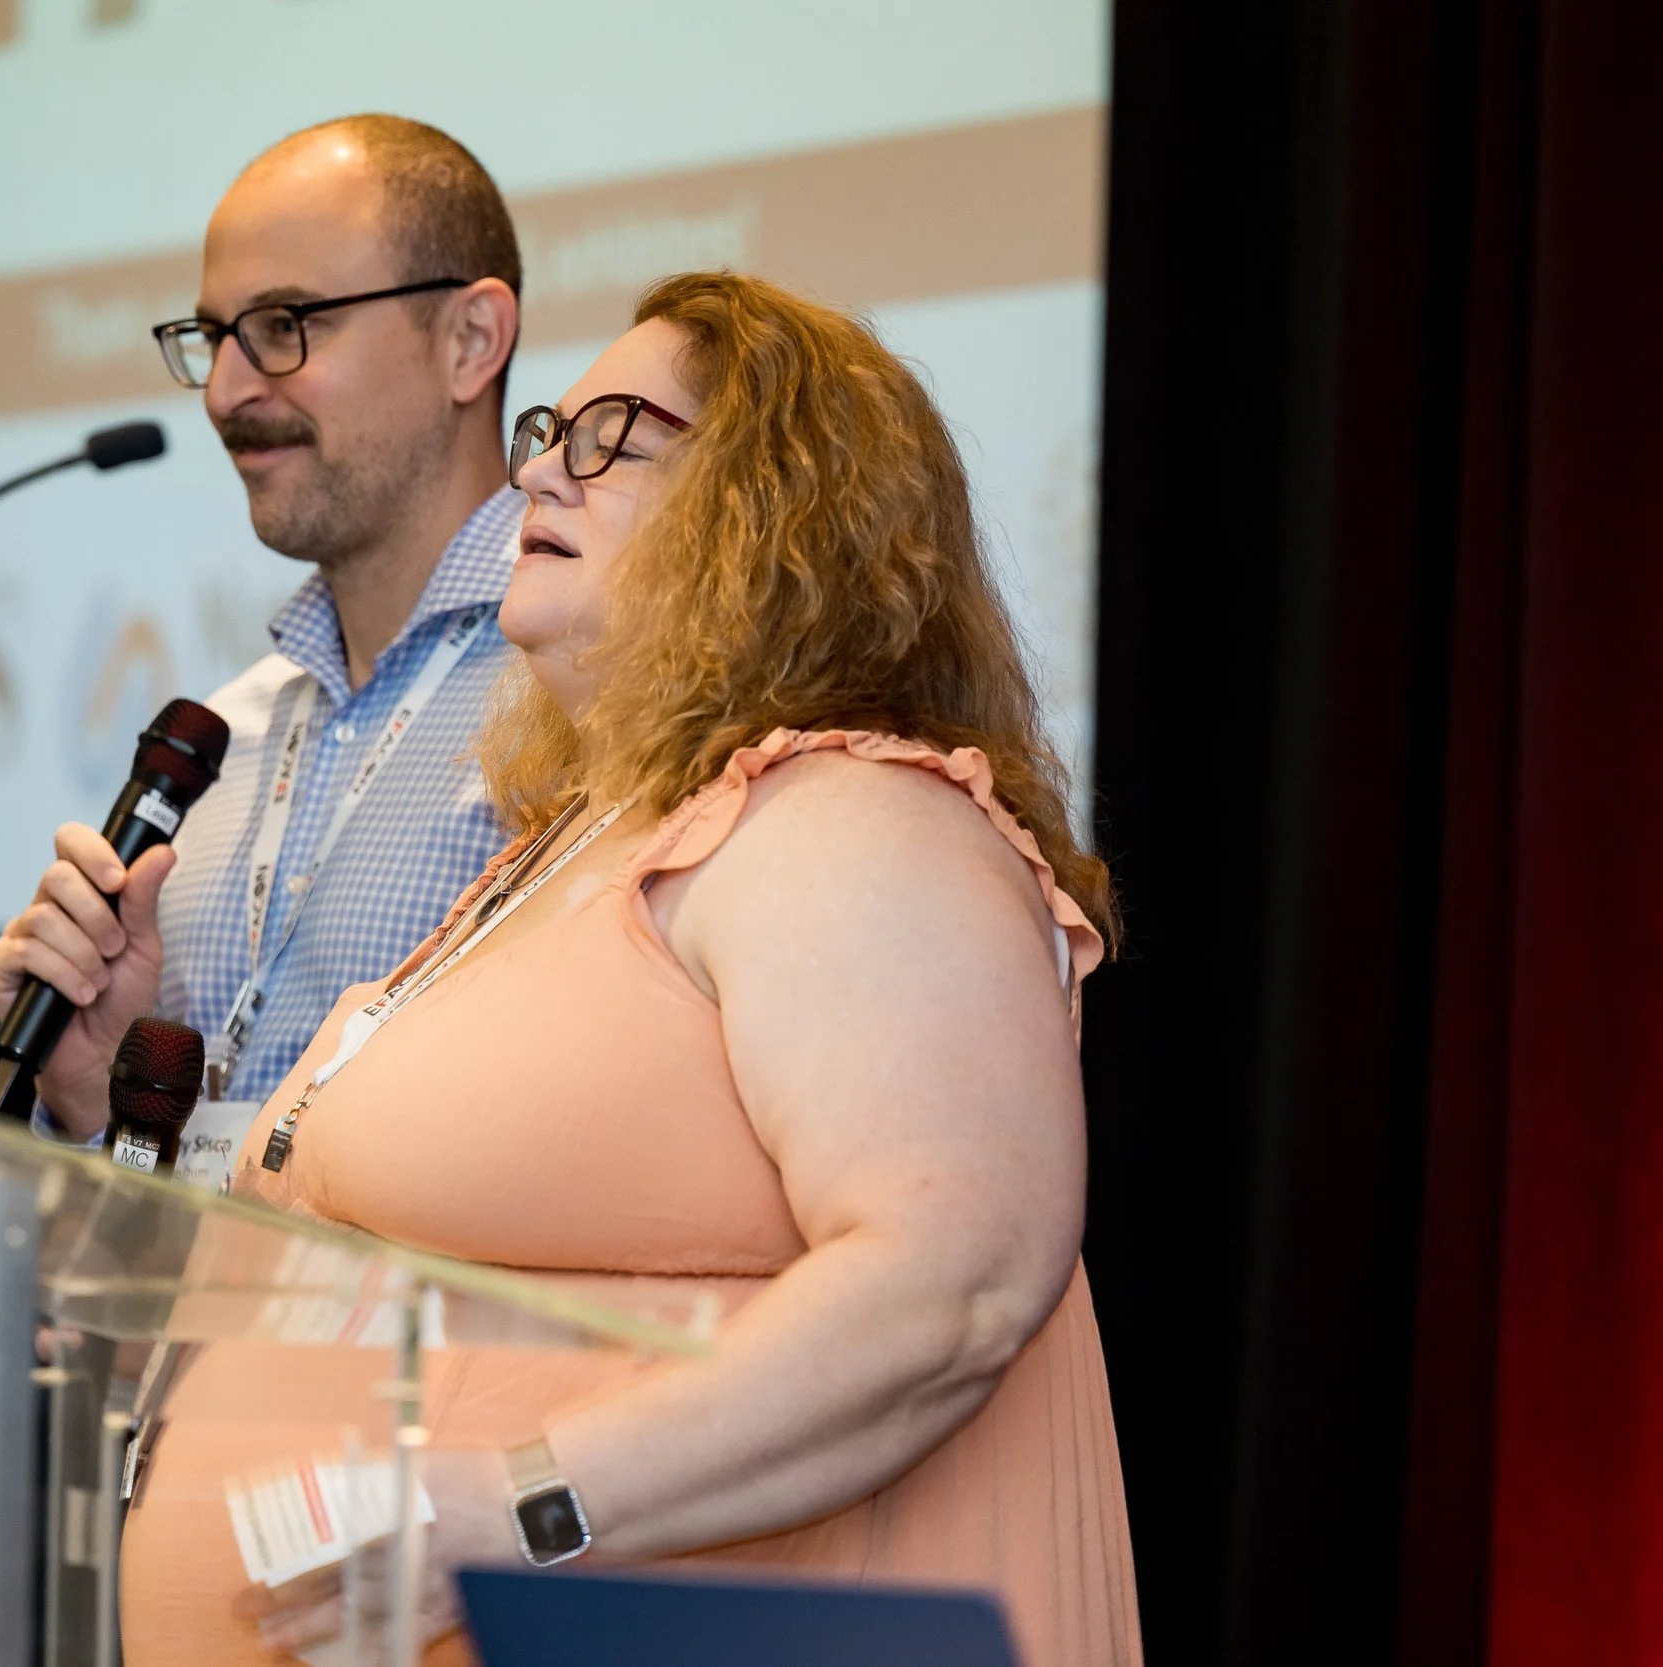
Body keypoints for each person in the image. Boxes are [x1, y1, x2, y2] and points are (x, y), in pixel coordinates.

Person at [116, 271, 1142, 1666]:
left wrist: (521, 1505)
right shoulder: (579, 843)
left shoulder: (853, 817)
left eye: (612, 436)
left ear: (779, 504)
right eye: (550, 429)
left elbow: (949, 1282)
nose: (539, 467)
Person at [0, 115, 526, 1148]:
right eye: (214, 337)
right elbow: (156, 1200)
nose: (228, 391)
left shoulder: (597, 700)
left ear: (469, 341)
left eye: (284, 325)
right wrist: (95, 1102)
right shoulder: (218, 748)